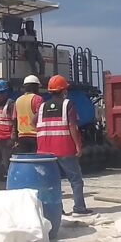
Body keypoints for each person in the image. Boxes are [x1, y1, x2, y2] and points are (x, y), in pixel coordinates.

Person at [37, 74, 93, 215]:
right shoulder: (68, 104)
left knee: (53, 181)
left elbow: (33, 122)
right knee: (75, 180)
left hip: (45, 150)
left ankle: (57, 209)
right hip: (64, 148)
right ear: (64, 91)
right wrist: (78, 146)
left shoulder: (42, 106)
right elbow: (72, 126)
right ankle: (79, 208)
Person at [14, 75, 44, 154]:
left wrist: (16, 138)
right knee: (36, 161)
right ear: (34, 87)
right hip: (35, 136)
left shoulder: (18, 100)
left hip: (21, 136)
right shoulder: (37, 98)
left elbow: (14, 119)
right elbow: (40, 117)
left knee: (25, 160)